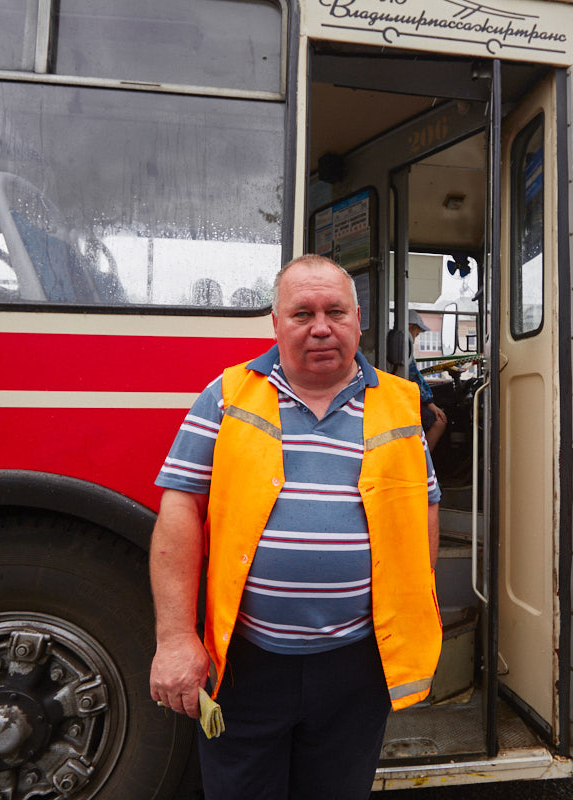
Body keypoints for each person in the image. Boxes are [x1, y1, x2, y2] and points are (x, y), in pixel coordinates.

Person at [149, 254, 443, 799]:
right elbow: (179, 512)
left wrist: (410, 618)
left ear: (359, 320)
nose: (321, 327)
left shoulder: (401, 408)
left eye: (335, 311)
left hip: (356, 668)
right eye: (302, 313)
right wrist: (173, 639)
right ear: (277, 323)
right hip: (244, 665)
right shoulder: (226, 396)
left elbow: (421, 509)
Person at [407, 309, 448, 451]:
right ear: (410, 327)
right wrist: (430, 404)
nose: (415, 338)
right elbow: (414, 376)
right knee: (439, 421)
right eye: (417, 334)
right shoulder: (405, 342)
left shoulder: (398, 341)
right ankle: (423, 465)